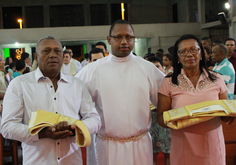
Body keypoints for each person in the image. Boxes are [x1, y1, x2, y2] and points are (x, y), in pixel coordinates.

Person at [76, 19, 164, 165]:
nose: (124, 41)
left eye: (129, 37)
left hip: (140, 143)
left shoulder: (147, 68)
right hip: (108, 145)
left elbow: (164, 100)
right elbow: (73, 99)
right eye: (118, 37)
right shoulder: (92, 70)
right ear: (109, 40)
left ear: (134, 39)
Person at [1, 36, 101, 165]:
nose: (53, 55)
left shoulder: (77, 84)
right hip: (37, 161)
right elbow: (7, 127)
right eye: (46, 51)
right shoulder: (20, 84)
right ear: (36, 57)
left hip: (71, 161)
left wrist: (74, 129)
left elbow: (95, 120)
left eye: (57, 51)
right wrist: (42, 133)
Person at [157, 34, 234, 165]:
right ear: (177, 56)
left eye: (194, 50)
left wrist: (230, 115)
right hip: (183, 145)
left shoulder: (216, 79)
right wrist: (179, 118)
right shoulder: (169, 82)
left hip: (212, 145)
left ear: (201, 53)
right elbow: (160, 118)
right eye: (183, 51)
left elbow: (225, 111)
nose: (189, 54)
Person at [147, 56, 170, 165]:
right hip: (150, 119)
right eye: (151, 67)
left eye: (157, 66)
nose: (155, 69)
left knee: (168, 152)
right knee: (152, 152)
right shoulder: (143, 83)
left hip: (166, 118)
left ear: (162, 67)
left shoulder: (169, 81)